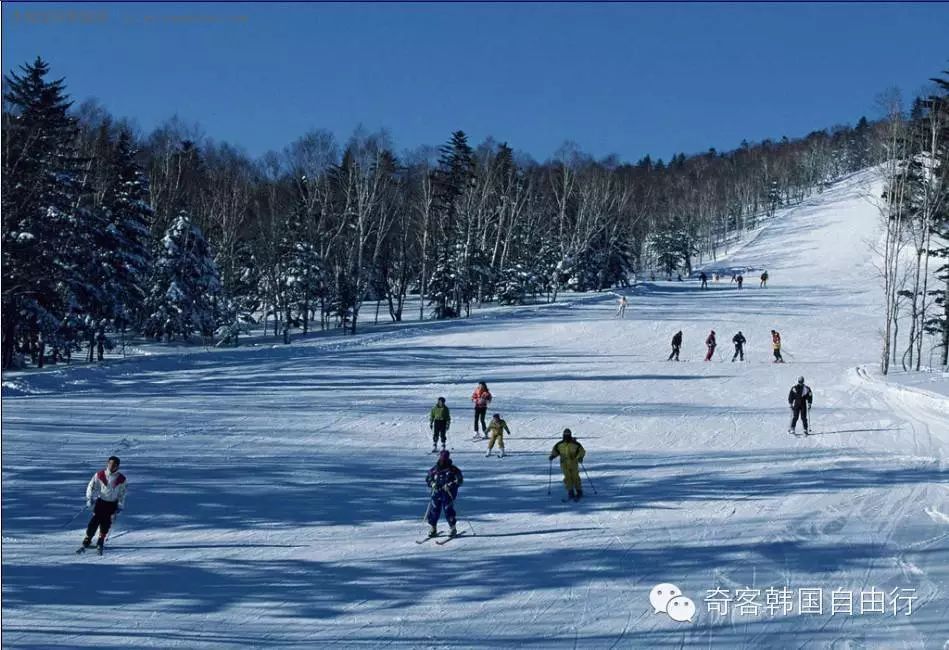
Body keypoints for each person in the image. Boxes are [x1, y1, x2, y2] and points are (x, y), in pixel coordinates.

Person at [82, 456, 127, 552]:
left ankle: (101, 539)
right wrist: (89, 498)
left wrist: (120, 505)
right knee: (94, 521)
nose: (111, 466)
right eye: (110, 463)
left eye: (114, 465)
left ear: (117, 466)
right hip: (101, 502)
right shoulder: (100, 475)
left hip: (112, 504)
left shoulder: (121, 479)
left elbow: (122, 493)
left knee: (106, 523)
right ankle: (88, 538)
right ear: (107, 463)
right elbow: (91, 486)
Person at [425, 450, 464, 537]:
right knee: (434, 510)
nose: (443, 461)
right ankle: (433, 528)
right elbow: (428, 478)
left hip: (448, 493)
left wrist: (451, 485)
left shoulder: (453, 469)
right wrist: (432, 483)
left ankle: (452, 527)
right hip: (436, 493)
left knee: (448, 510)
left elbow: (459, 480)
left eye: (445, 459)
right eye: (442, 458)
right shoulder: (435, 469)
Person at [549, 429, 586, 501]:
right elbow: (556, 451)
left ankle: (579, 491)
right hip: (564, 464)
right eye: (565, 434)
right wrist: (553, 456)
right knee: (567, 477)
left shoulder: (576, 444)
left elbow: (581, 451)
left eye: (568, 434)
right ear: (563, 435)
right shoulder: (559, 444)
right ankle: (570, 491)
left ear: (570, 435)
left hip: (573, 463)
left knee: (575, 477)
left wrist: (580, 457)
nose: (566, 436)